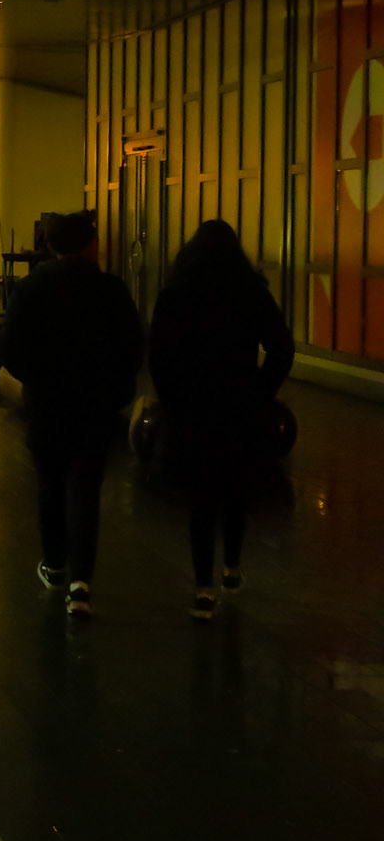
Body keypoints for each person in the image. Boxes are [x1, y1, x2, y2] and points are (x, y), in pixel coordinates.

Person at [0, 211, 143, 619]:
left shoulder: (31, 288)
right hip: (95, 405)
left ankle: (54, 564)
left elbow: (9, 347)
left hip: (47, 403)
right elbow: (133, 348)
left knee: (49, 484)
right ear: (90, 245)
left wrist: (34, 380)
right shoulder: (110, 289)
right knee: (85, 489)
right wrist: (116, 392)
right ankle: (81, 584)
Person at [148, 219, 294, 619]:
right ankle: (231, 568)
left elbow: (158, 354)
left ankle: (203, 588)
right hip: (240, 402)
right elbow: (282, 348)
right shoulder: (251, 290)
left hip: (193, 404)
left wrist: (171, 399)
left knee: (201, 495)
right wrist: (262, 390)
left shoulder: (176, 292)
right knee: (235, 489)